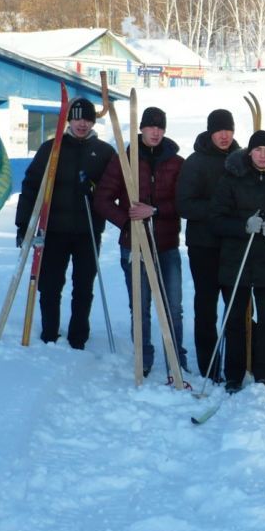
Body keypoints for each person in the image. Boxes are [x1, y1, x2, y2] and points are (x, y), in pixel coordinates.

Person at [95, 106, 187, 377]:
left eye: (160, 127)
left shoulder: (176, 162)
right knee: (140, 305)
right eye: (150, 126)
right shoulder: (124, 160)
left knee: (173, 306)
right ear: (142, 129)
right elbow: (101, 199)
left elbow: (182, 202)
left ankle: (176, 358)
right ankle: (143, 358)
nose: (155, 131)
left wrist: (155, 210)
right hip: (133, 245)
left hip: (167, 244)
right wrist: (128, 220)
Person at [16, 97, 114, 349]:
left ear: (93, 121)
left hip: (88, 231)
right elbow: (30, 188)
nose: (82, 123)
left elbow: (114, 188)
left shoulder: (104, 152)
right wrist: (23, 226)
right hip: (54, 230)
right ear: (69, 120)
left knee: (83, 285)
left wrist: (93, 188)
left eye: (88, 119)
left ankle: (78, 334)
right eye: (78, 118)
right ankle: (49, 331)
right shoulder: (51, 149)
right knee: (50, 284)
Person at [209, 129, 265, 392]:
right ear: (249, 152)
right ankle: (234, 375)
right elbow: (216, 218)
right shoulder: (232, 178)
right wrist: (243, 225)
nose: (262, 155)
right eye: (258, 150)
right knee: (235, 319)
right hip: (236, 261)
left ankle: (263, 372)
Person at [176, 108, 239, 383]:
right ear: (210, 132)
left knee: (236, 306)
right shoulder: (195, 162)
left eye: (228, 130)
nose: (224, 135)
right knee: (206, 306)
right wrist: (218, 210)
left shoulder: (241, 161)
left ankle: (238, 365)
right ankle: (209, 366)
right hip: (204, 246)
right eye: (219, 130)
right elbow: (184, 204)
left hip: (234, 245)